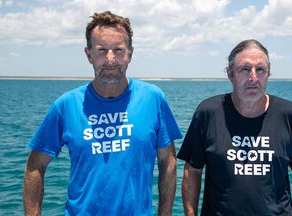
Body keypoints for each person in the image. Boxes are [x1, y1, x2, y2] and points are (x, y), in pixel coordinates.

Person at [23, 11, 182, 216]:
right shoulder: (66, 105)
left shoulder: (153, 98)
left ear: (130, 54)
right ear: (88, 54)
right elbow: (35, 166)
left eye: (118, 50)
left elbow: (167, 161)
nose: (110, 59)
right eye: (101, 50)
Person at [177, 39, 292, 215]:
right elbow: (193, 170)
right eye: (244, 69)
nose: (253, 78)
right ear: (230, 74)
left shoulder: (288, 114)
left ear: (268, 74)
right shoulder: (208, 112)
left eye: (260, 70)